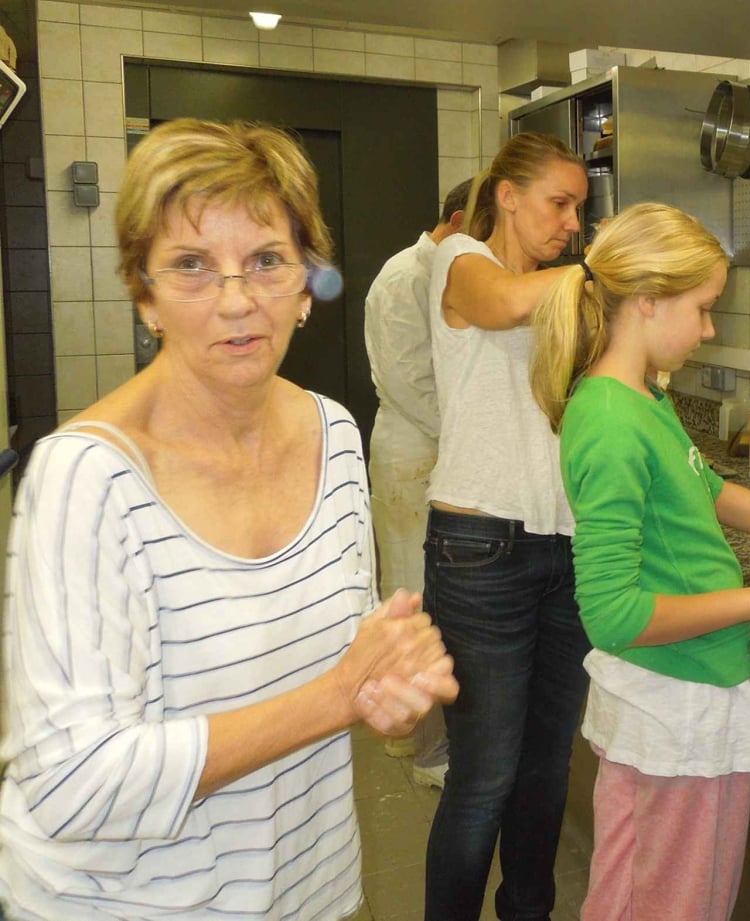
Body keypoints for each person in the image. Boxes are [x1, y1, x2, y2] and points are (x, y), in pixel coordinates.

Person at [0, 118, 458, 921]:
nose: (238, 300)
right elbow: (72, 785)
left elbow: (349, 657)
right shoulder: (89, 478)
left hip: (303, 887)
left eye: (266, 261)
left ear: (308, 283)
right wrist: (339, 694)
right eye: (191, 266)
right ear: (144, 295)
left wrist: (394, 684)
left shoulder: (335, 435)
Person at [530, 202, 750, 921]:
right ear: (647, 301)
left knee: (655, 897)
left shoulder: (642, 397)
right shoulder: (611, 420)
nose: (709, 329)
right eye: (704, 309)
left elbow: (707, 489)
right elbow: (611, 614)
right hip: (671, 706)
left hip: (688, 692)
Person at [422, 133, 592, 921]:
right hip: (479, 550)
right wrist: (601, 273)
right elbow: (499, 305)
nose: (570, 224)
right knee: (485, 773)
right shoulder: (460, 260)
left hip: (565, 547)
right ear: (508, 196)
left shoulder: (562, 290)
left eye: (580, 211)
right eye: (559, 204)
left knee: (546, 769)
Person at [364, 175, 472, 785]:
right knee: (413, 593)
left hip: (436, 447)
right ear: (458, 222)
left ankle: (415, 735)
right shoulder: (405, 277)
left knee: (434, 596)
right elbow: (410, 382)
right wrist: (475, 439)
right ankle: (426, 750)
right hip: (413, 452)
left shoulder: (442, 274)